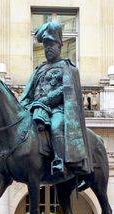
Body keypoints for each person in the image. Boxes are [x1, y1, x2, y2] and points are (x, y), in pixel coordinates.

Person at [20, 21, 93, 176]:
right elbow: (30, 92)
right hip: (36, 108)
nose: (48, 49)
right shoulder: (39, 69)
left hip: (57, 109)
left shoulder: (68, 68)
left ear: (60, 46)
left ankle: (59, 161)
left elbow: (66, 90)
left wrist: (46, 100)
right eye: (46, 46)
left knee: (55, 126)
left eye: (51, 45)